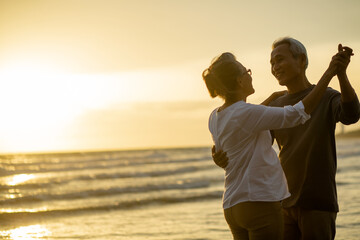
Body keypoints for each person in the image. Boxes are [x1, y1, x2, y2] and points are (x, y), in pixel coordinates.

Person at [212, 38, 360, 240]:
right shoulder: (275, 106)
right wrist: (220, 154)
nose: (275, 67)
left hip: (317, 202)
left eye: (280, 60)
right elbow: (246, 135)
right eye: (272, 63)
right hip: (281, 201)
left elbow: (351, 115)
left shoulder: (326, 96)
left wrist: (341, 74)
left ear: (301, 60)